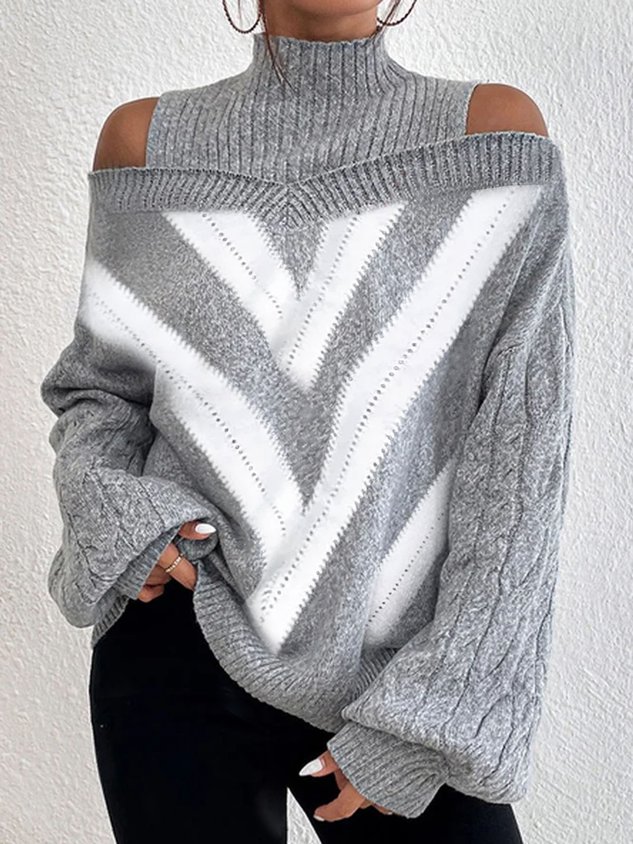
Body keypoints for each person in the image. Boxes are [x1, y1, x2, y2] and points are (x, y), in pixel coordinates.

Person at [40, 0, 576, 841]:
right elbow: (100, 390)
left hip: (397, 673)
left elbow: (519, 447)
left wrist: (430, 717)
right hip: (180, 645)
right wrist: (127, 523)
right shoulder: (144, 144)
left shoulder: (491, 137)